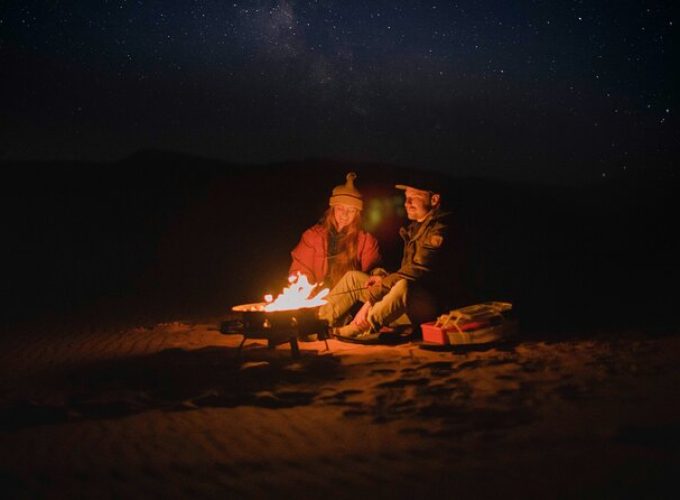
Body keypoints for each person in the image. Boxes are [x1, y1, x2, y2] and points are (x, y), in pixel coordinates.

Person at [318, 179, 451, 342]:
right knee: (354, 278)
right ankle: (320, 322)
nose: (407, 203)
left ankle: (360, 327)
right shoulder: (415, 228)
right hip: (405, 299)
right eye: (406, 197)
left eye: (414, 197)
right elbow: (405, 271)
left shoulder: (440, 230)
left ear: (434, 200)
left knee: (403, 285)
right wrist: (384, 278)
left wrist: (371, 301)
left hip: (429, 307)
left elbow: (416, 271)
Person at [289, 172, 381, 290]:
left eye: (351, 210)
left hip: (349, 299)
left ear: (357, 214)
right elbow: (301, 268)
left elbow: (372, 272)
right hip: (316, 298)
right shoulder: (312, 236)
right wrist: (304, 291)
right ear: (332, 210)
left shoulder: (366, 241)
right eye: (340, 208)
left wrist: (378, 275)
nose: (344, 214)